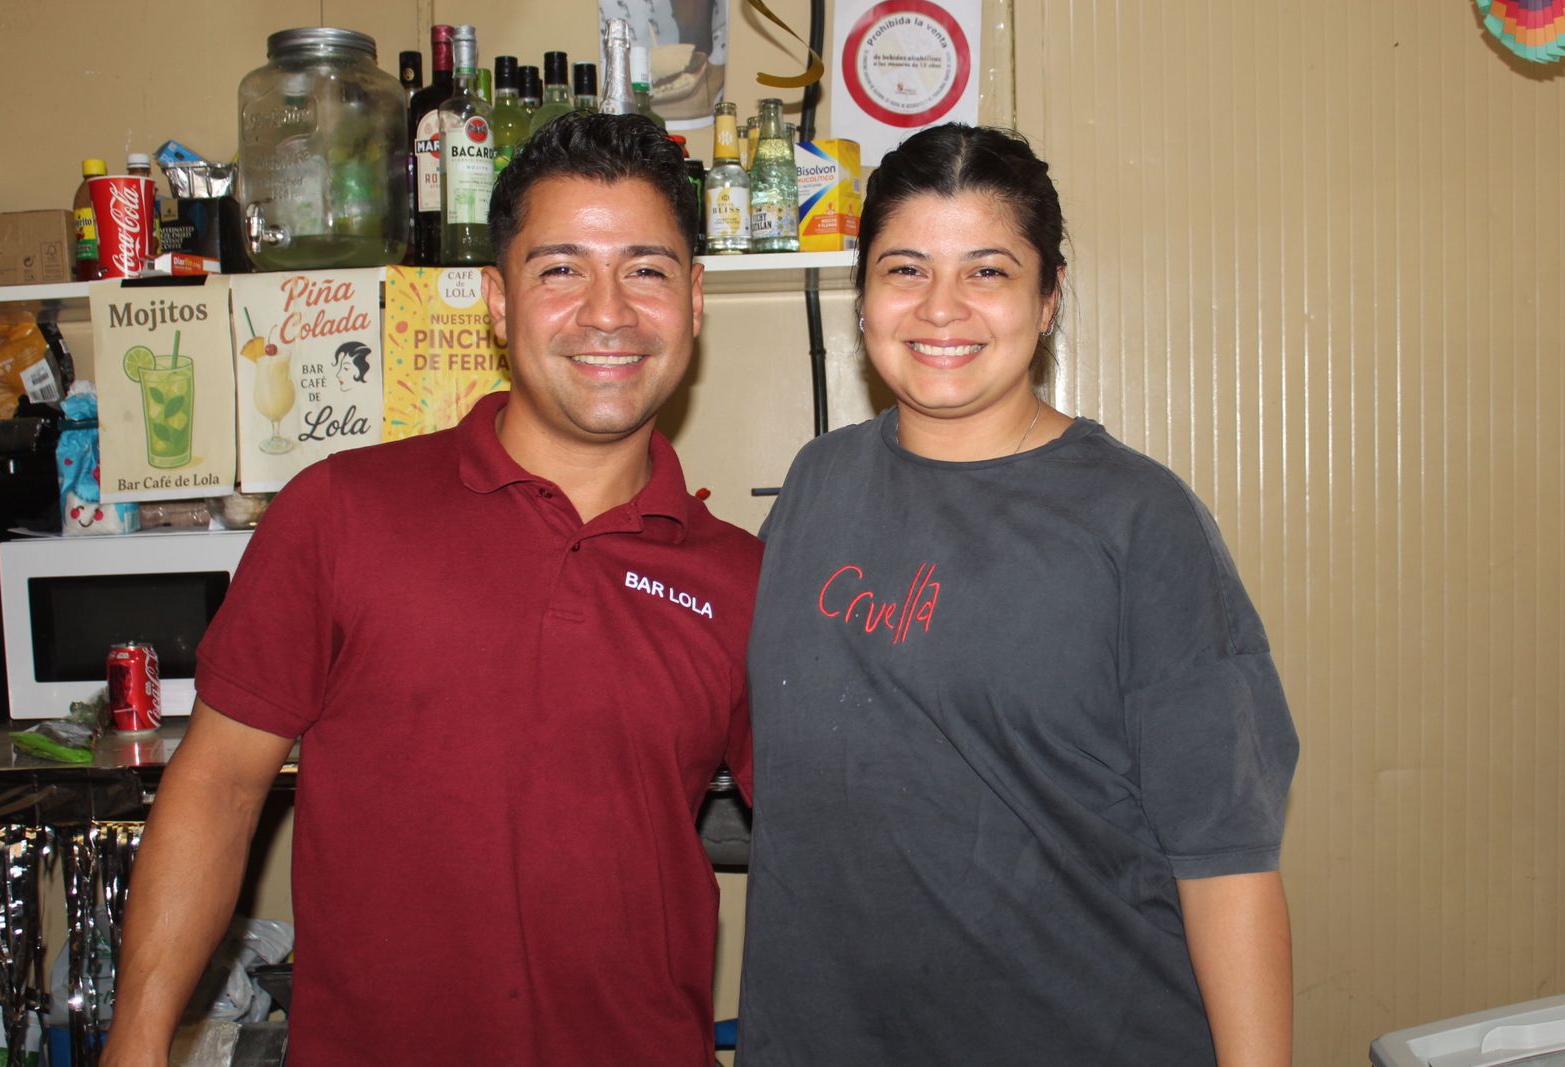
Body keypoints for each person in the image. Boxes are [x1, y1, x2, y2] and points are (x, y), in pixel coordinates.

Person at [102, 113, 760, 1067]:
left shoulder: (742, 579)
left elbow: (836, 846)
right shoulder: (340, 510)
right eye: (561, 269)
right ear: (498, 301)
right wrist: (137, 1039)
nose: (607, 312)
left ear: (695, 300)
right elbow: (218, 787)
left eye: (647, 269)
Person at [736, 124, 1300, 1066]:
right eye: (905, 268)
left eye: (988, 272)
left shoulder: (1137, 519)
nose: (941, 309)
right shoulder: (817, 484)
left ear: (1048, 299)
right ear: (862, 294)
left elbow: (1227, 862)